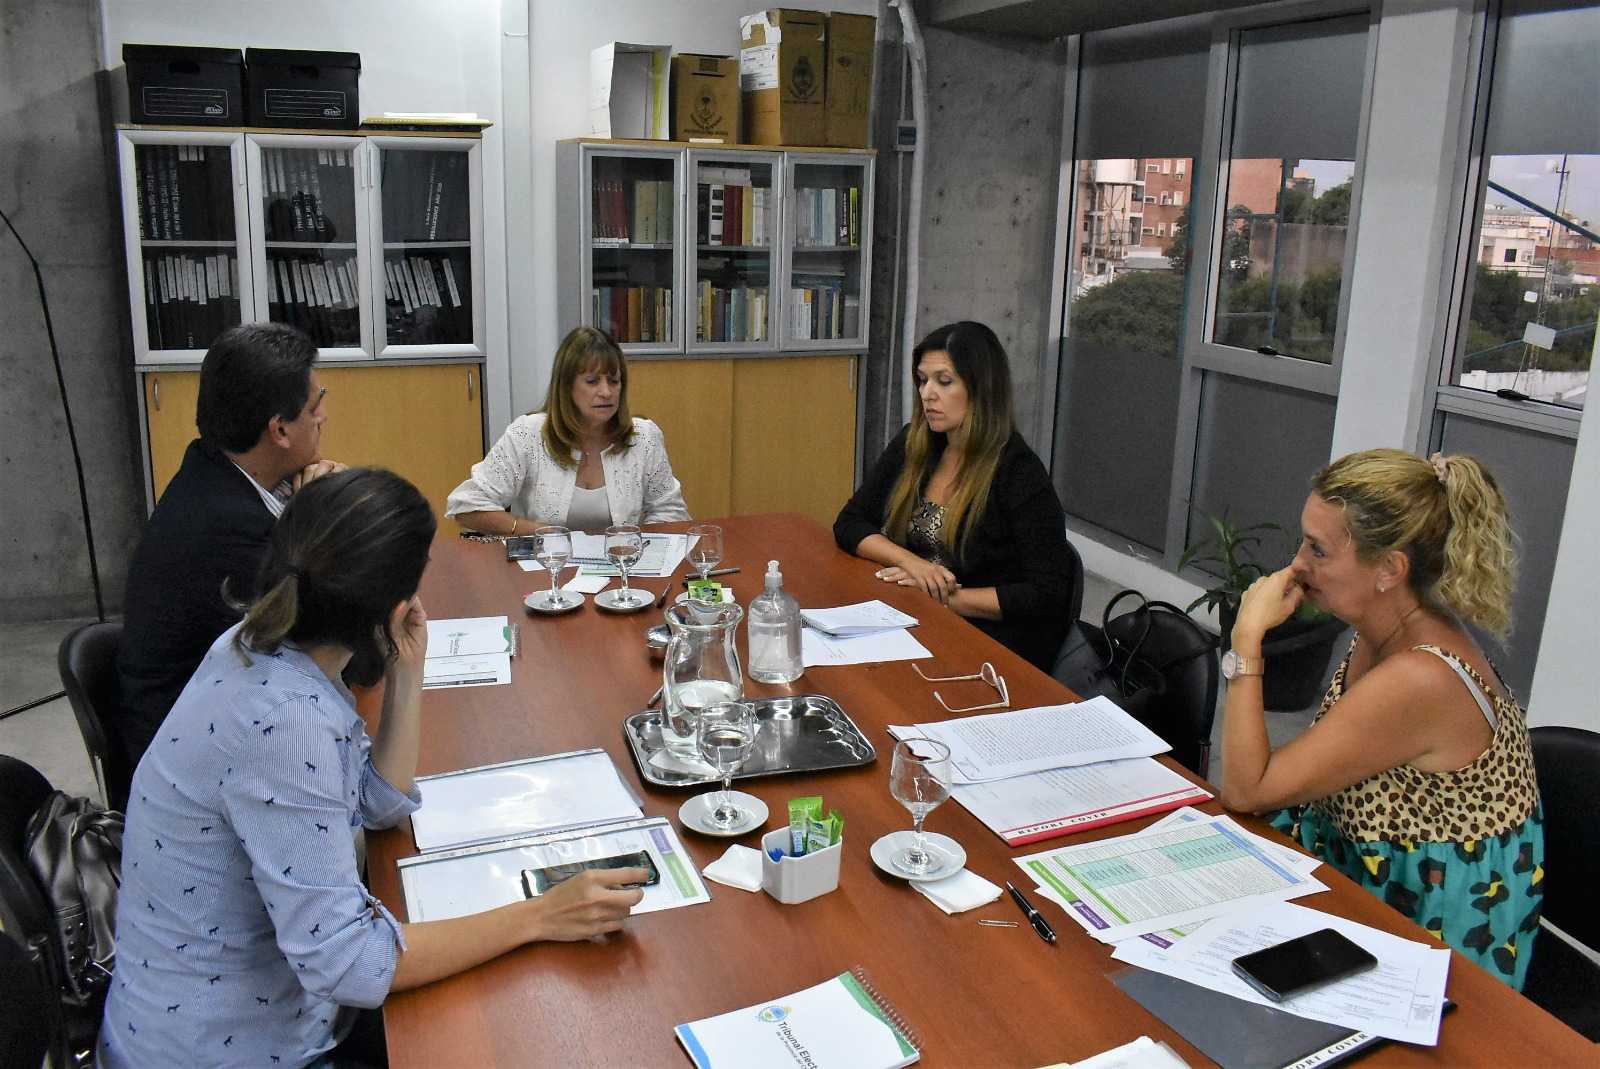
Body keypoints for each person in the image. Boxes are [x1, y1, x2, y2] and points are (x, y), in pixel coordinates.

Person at [99, 469, 646, 1067]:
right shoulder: (288, 721)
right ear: (394, 605)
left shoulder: (258, 643)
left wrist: (407, 673)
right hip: (227, 1049)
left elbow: (374, 804)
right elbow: (351, 965)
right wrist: (541, 915)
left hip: (218, 1016)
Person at [1220, 449, 1543, 989]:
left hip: (1430, 931)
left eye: (1318, 549)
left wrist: (1246, 640)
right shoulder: (1384, 631)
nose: (1298, 563)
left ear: (1390, 570)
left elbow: (1247, 790)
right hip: (1362, 874)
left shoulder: (1420, 678)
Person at [117, 323, 343, 770]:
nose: (323, 418)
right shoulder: (229, 528)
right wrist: (324, 518)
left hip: (220, 728)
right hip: (198, 776)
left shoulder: (212, 467)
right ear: (279, 430)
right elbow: (337, 654)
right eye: (315, 406)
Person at [834, 321, 1075, 670]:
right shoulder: (915, 443)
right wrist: (911, 563)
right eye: (922, 380)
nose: (927, 394)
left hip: (989, 642)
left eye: (944, 382)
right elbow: (850, 522)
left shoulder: (1019, 472)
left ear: (981, 389)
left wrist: (943, 598)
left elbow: (1047, 593)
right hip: (913, 618)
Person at [447, 326, 688, 533]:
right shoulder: (529, 435)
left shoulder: (643, 437)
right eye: (592, 381)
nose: (606, 392)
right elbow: (467, 506)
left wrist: (639, 546)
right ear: (567, 387)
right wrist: (535, 532)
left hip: (621, 564)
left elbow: (670, 511)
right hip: (546, 564)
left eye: (614, 381)